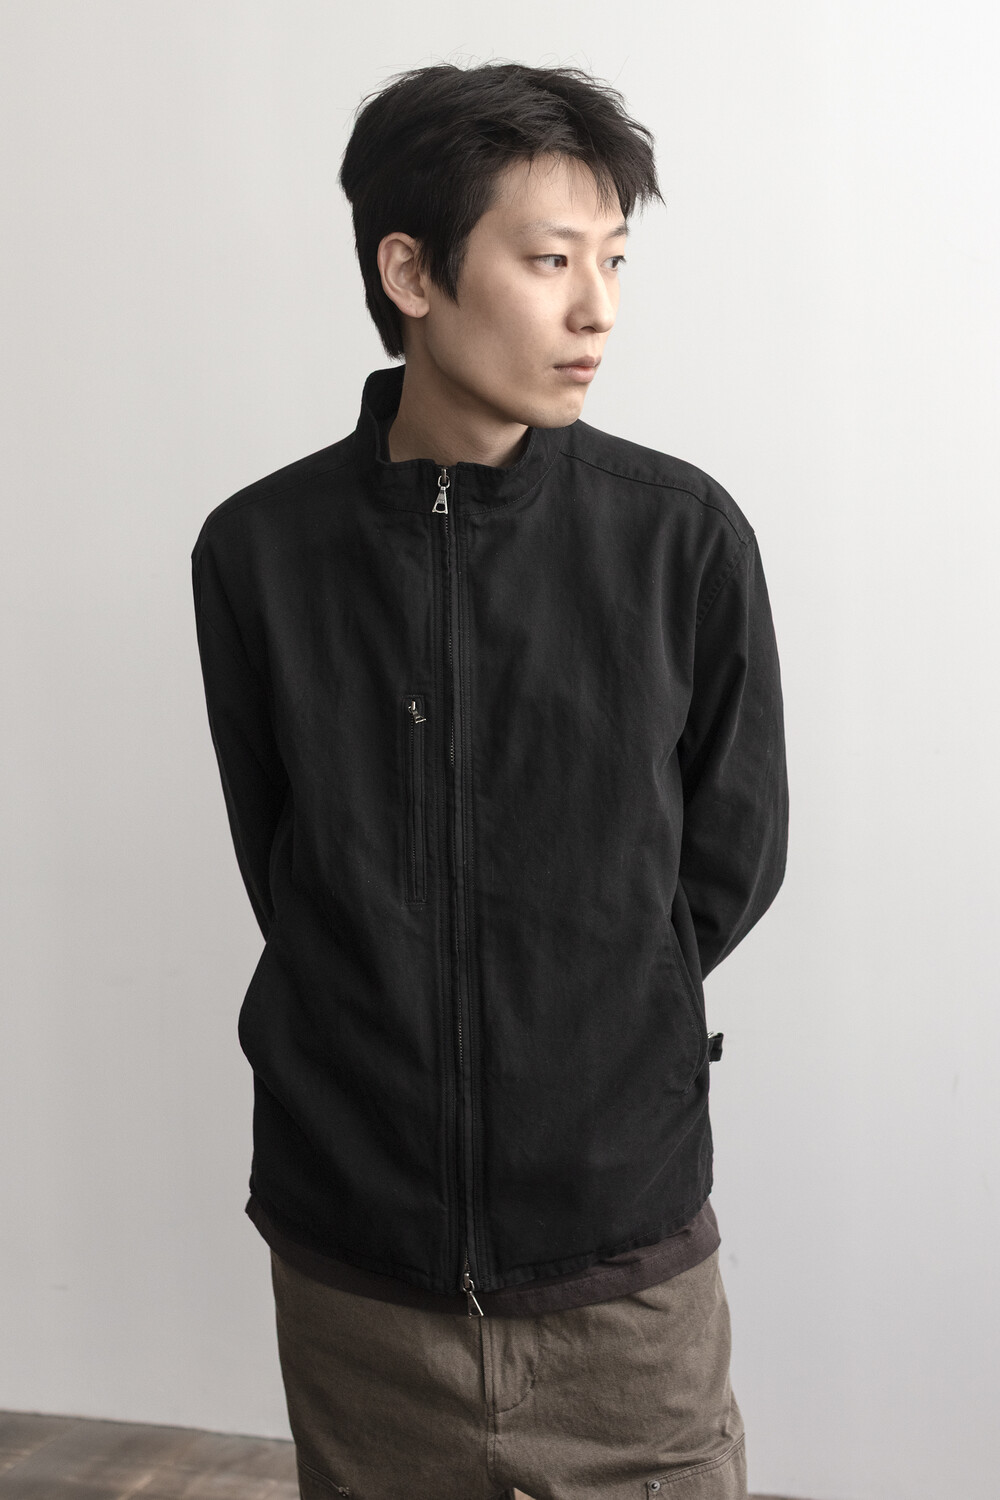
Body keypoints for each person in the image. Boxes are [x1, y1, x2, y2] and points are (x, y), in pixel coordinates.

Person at [191, 60, 788, 1500]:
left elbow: (734, 855)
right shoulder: (260, 555)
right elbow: (290, 863)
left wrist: (591, 1016)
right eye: (549, 259)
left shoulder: (681, 541)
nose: (598, 310)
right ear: (411, 272)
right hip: (357, 1272)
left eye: (614, 260)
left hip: (621, 1270)